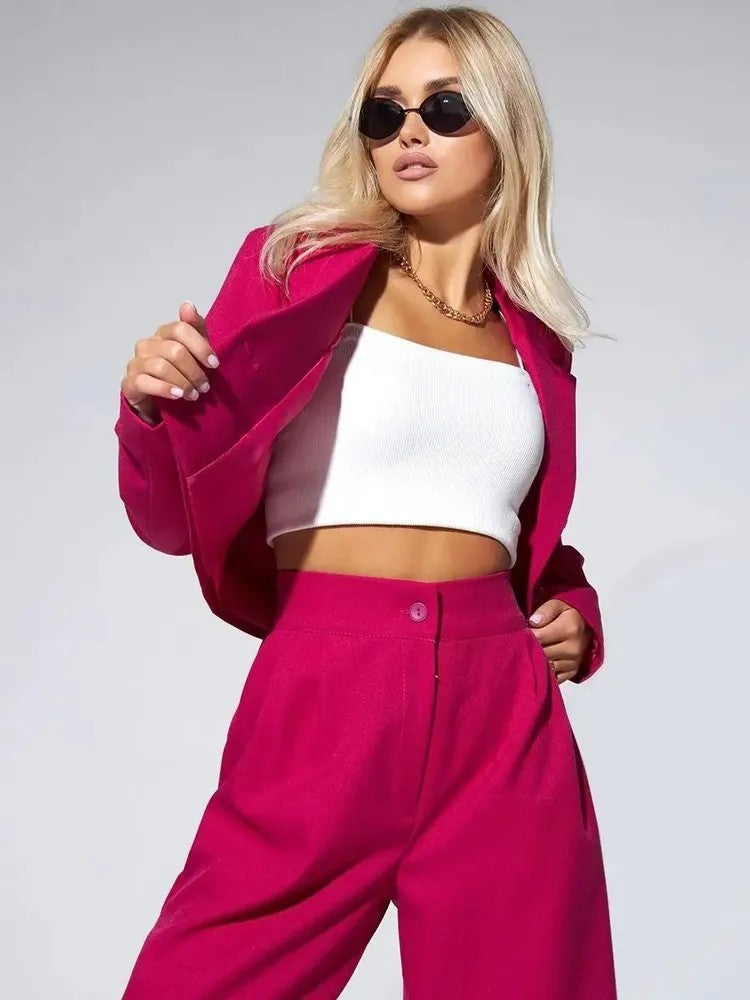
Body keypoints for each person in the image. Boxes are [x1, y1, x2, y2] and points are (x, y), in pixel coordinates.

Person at [115, 6, 617, 998]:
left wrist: (572, 612)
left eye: (444, 107)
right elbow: (173, 512)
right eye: (384, 114)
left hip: (502, 713)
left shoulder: (537, 340)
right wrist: (148, 407)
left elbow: (522, 532)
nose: (409, 133)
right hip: (330, 687)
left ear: (506, 127)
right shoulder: (298, 271)